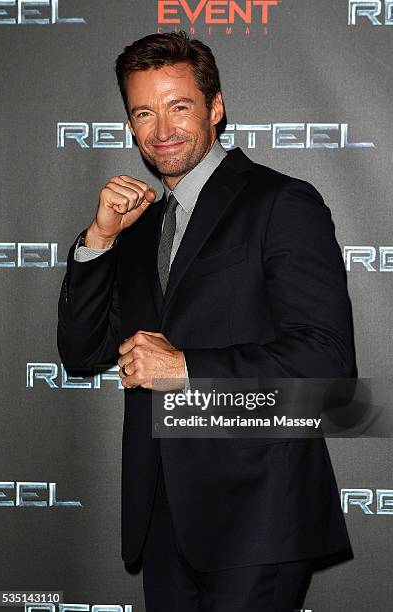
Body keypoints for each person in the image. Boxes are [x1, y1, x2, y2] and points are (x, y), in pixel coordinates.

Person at [57, 30, 356, 611]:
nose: (162, 130)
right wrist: (98, 241)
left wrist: (185, 366)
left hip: (258, 513)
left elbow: (328, 361)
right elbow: (81, 350)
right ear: (130, 124)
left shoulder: (281, 202)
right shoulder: (139, 228)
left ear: (216, 109)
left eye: (179, 106)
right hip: (164, 514)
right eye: (144, 112)